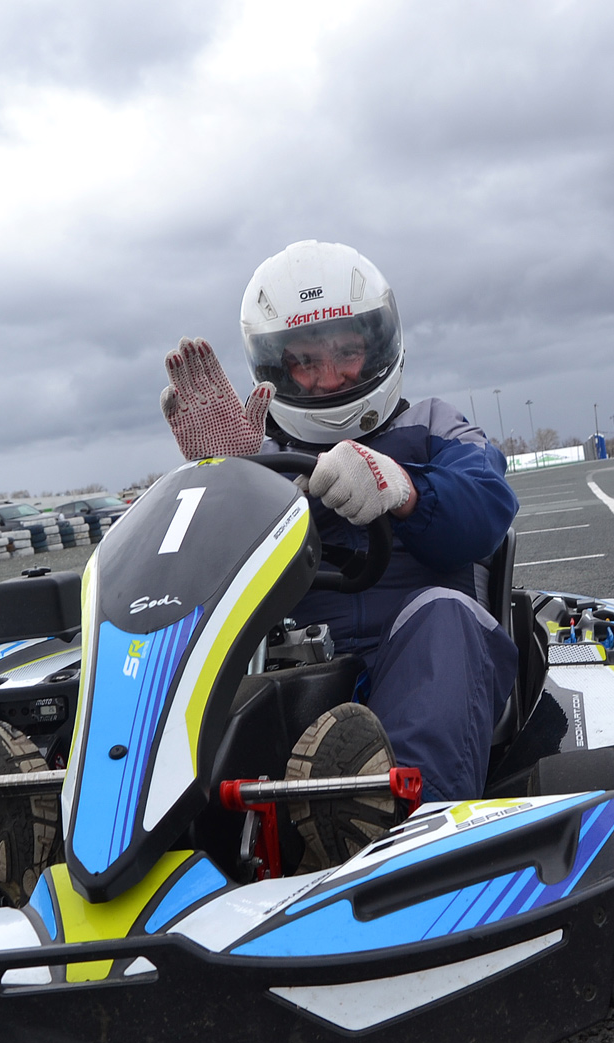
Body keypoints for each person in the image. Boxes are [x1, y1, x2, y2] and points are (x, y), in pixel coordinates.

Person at [162, 240, 520, 869]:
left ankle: (402, 840)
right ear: (274, 369)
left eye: (347, 352)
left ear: (379, 345)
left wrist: (402, 488)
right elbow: (189, 573)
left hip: (421, 661)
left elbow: (487, 509)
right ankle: (130, 834)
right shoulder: (256, 453)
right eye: (305, 361)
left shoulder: (433, 426)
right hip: (293, 674)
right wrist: (225, 477)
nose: (330, 379)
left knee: (444, 614)